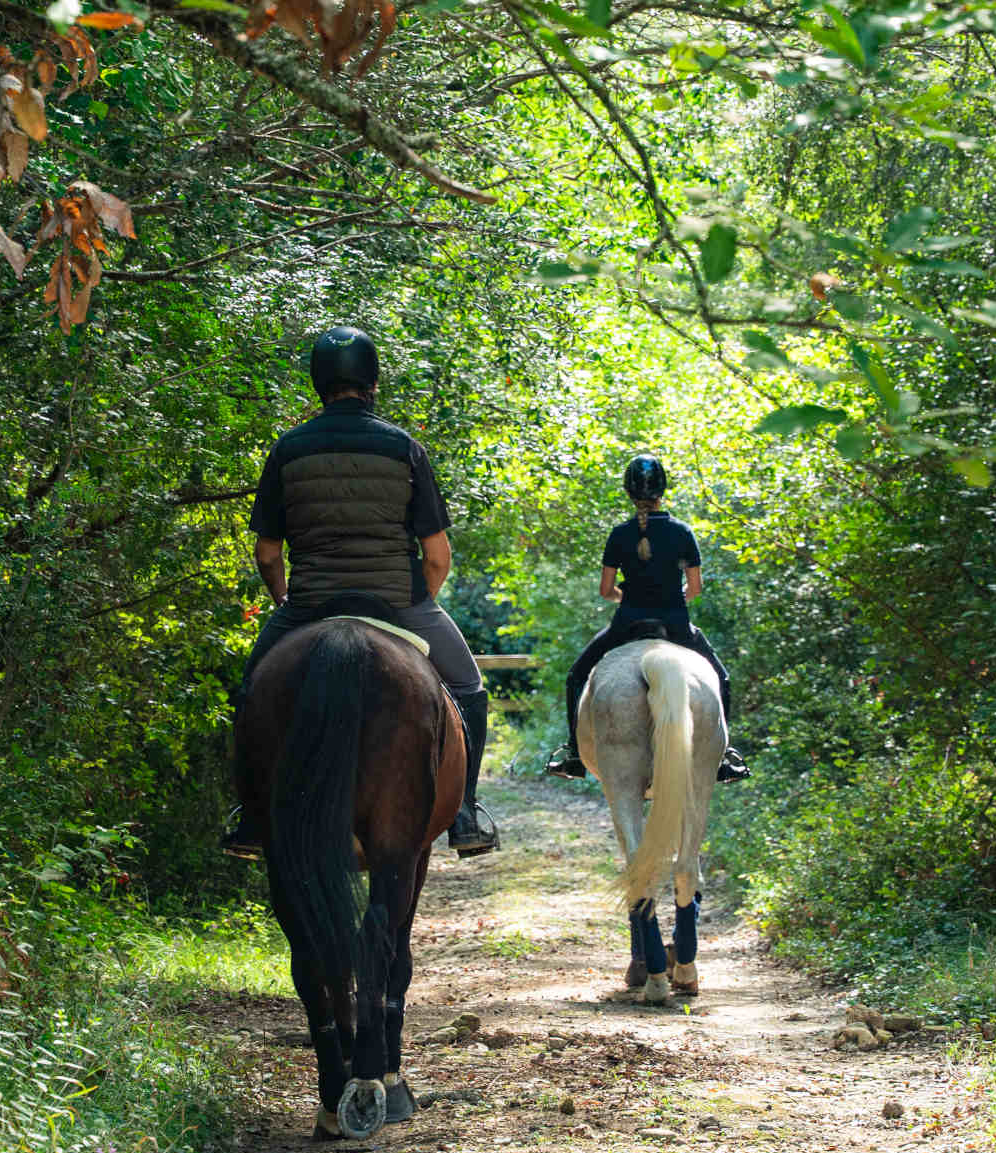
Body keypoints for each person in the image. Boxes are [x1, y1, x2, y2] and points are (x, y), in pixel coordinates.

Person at [224, 326, 499, 855]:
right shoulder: (404, 448)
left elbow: (267, 554)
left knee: (252, 689)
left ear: (318, 382)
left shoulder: (288, 449)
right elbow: (437, 556)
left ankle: (252, 818)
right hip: (396, 599)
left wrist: (285, 601)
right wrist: (417, 599)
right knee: (468, 688)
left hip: (310, 603)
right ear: (373, 381)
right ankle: (465, 812)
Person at [545, 455, 749, 783]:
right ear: (663, 491)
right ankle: (723, 758)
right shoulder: (682, 532)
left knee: (576, 676)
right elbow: (695, 588)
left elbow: (606, 590)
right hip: (676, 624)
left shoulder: (619, 534)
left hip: (627, 623)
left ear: (628, 492)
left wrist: (626, 598)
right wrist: (673, 598)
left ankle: (574, 755)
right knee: (721, 678)